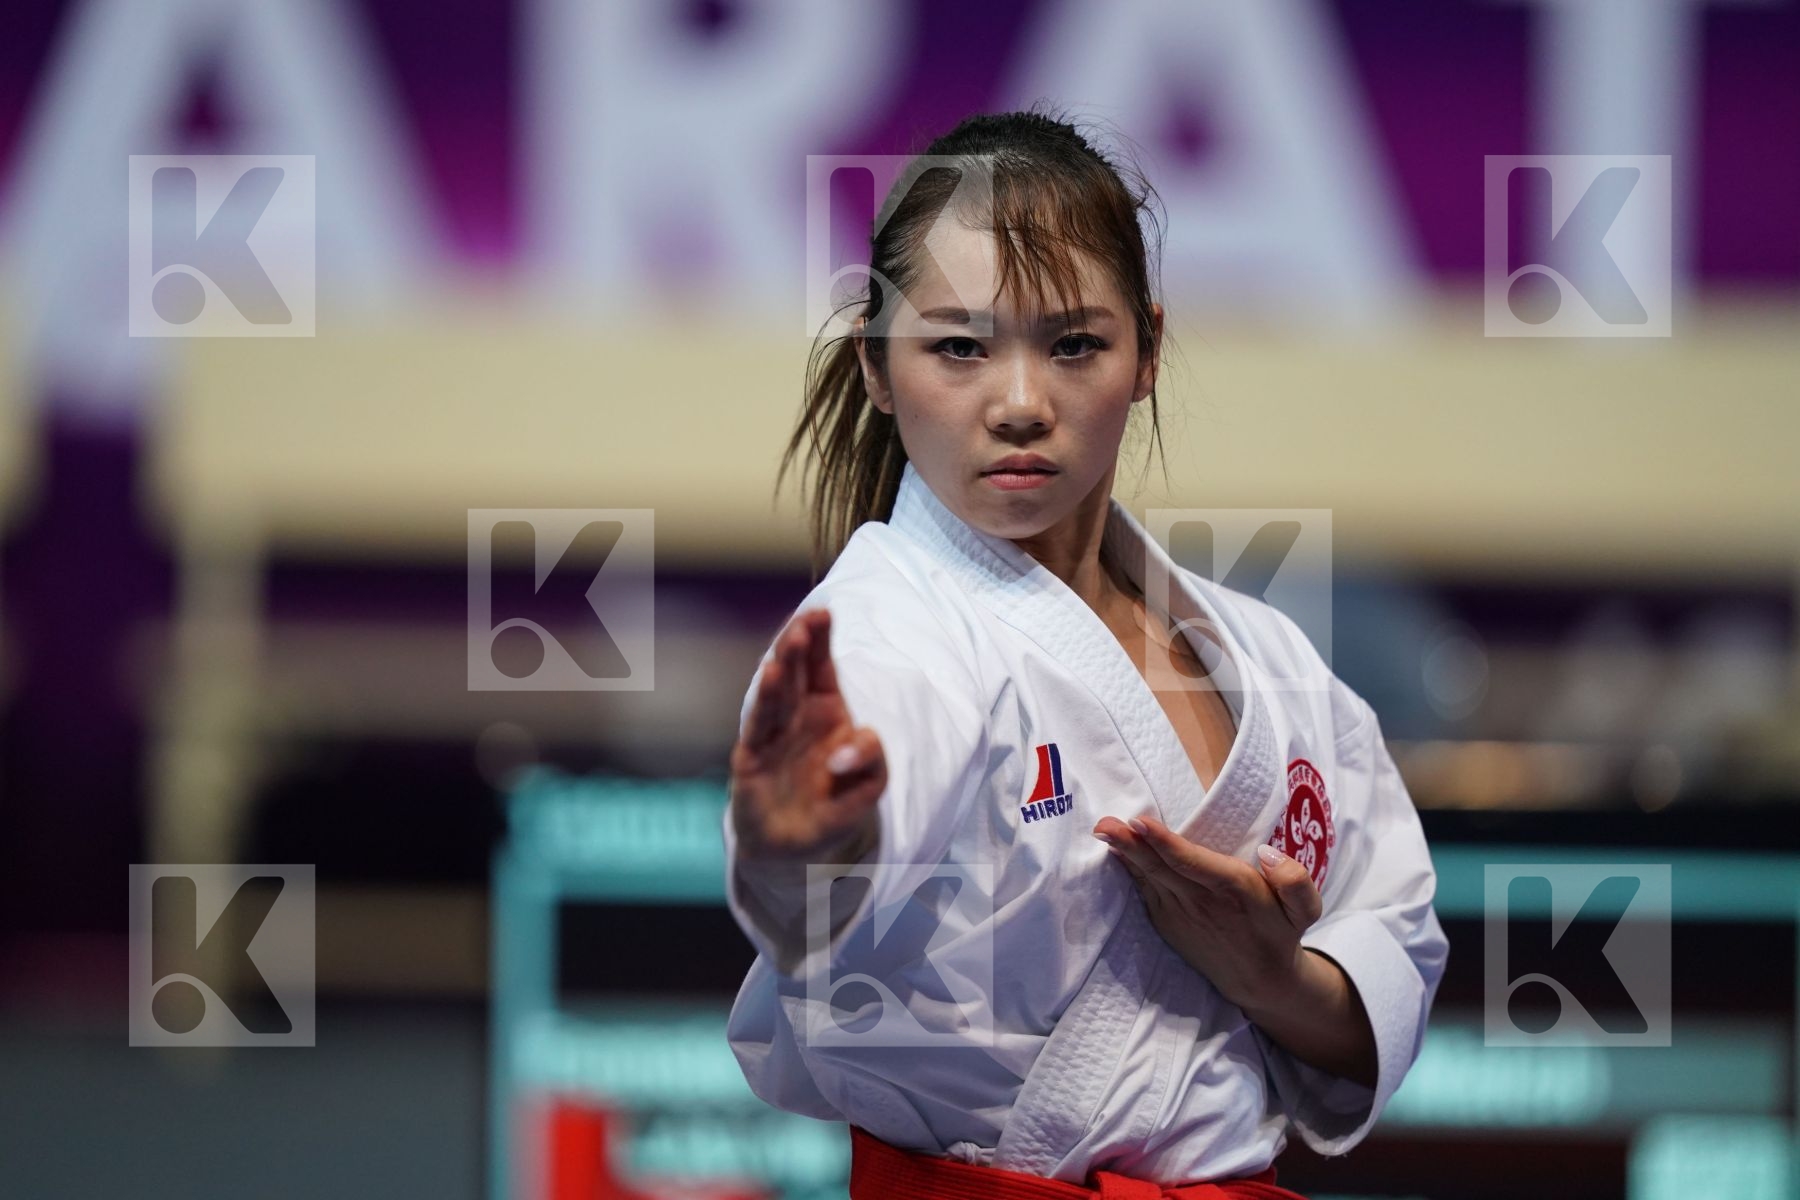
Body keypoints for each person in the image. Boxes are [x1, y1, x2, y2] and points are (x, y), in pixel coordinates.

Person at [721, 107, 1448, 1199]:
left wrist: (1274, 978)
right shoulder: (888, 625)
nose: (1021, 405)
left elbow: (1396, 952)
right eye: (958, 346)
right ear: (875, 364)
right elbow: (833, 882)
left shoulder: (1270, 656)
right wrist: (802, 848)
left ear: (1147, 350)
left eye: (1074, 345)